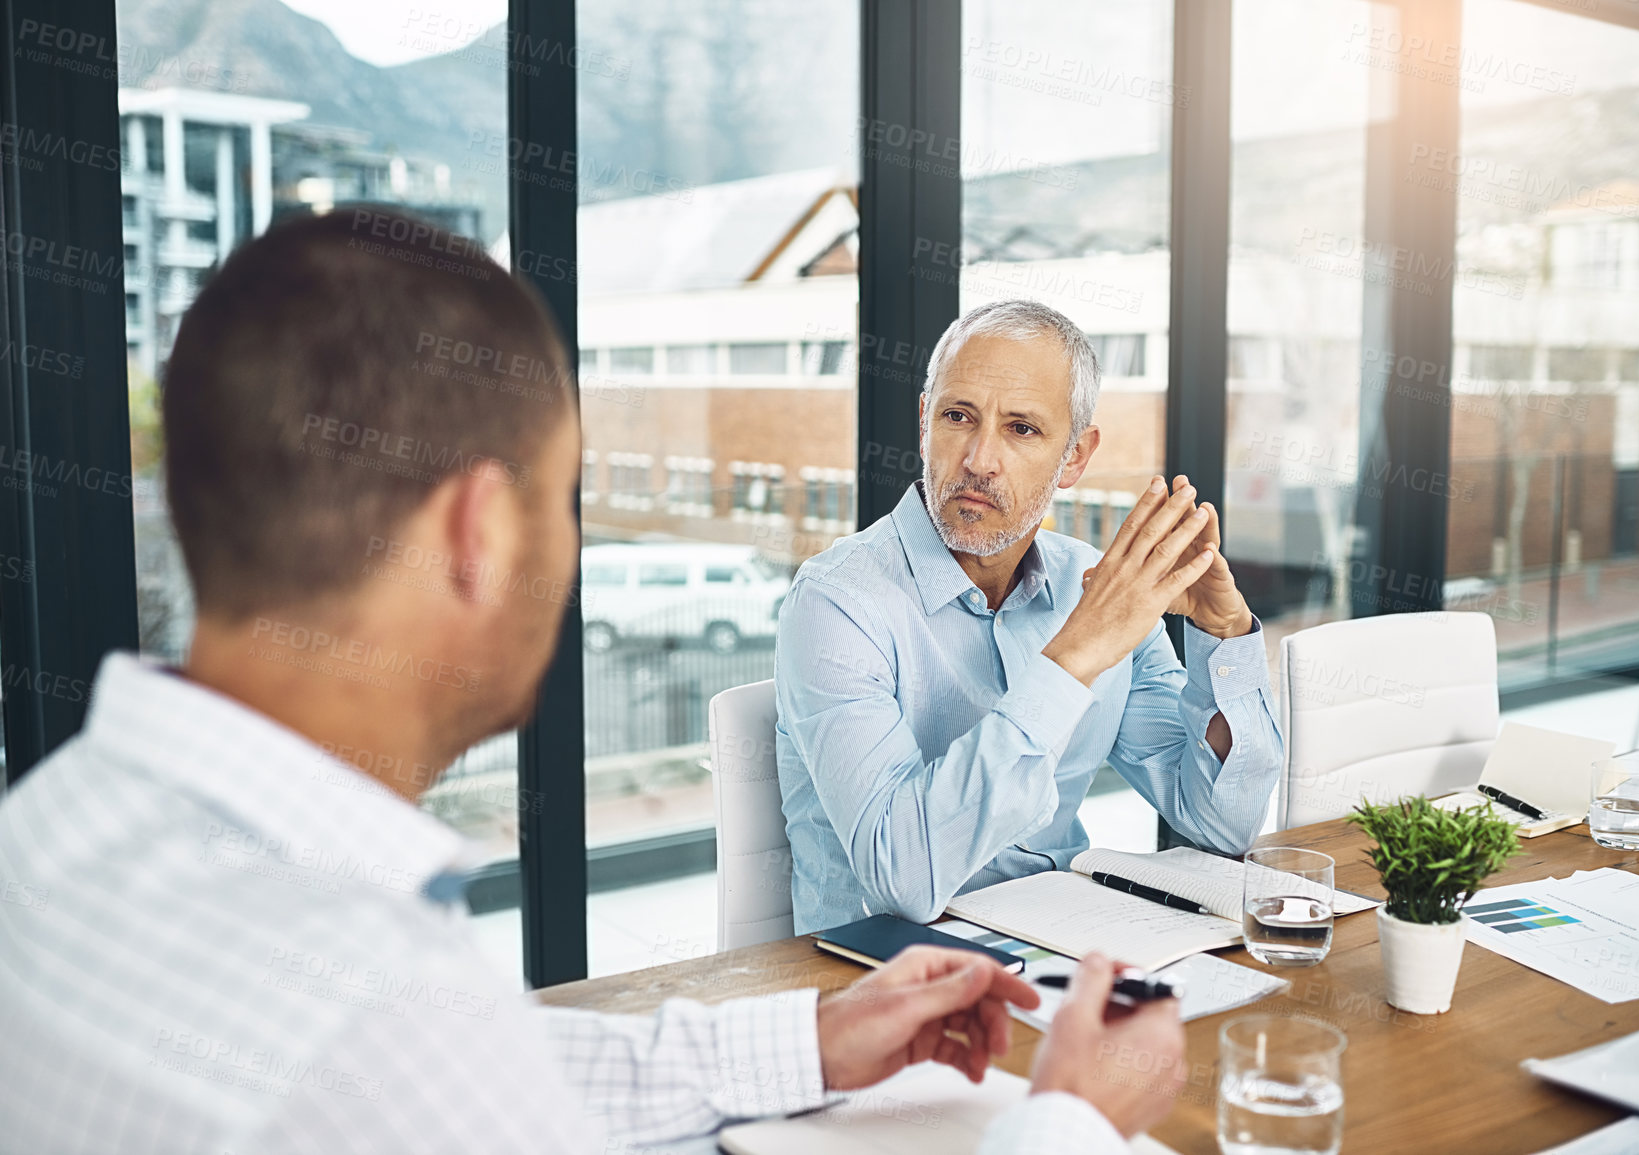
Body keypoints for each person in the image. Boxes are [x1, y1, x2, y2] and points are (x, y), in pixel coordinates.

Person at [0, 211, 1185, 1153]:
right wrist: (1071, 1120)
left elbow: (474, 1058)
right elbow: (409, 1056)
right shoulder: (357, 1002)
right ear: (477, 532)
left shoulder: (50, 837)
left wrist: (814, 1040)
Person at [776, 299, 1284, 933]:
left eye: (1022, 428)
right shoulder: (837, 601)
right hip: (885, 976)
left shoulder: (1093, 586)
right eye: (958, 416)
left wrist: (1223, 637)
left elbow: (1220, 823)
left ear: (1074, 457)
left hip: (1063, 944)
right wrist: (1075, 656)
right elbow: (902, 876)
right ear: (926, 425)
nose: (980, 460)